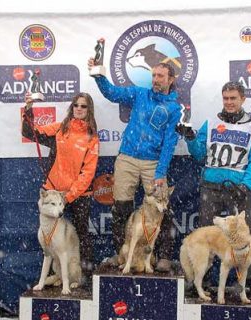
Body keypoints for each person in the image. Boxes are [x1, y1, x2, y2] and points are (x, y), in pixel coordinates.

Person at [88, 58, 181, 272]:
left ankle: (164, 256)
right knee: (121, 208)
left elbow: (169, 142)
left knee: (163, 208)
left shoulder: (174, 108)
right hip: (127, 158)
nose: (156, 80)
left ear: (171, 79)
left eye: (160, 76)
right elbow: (112, 93)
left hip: (153, 163)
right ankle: (120, 253)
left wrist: (160, 172)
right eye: (154, 76)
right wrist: (99, 76)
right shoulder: (140, 94)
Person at [177, 81, 251, 299]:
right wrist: (190, 138)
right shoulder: (212, 122)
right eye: (225, 98)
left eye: (233, 98)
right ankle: (202, 280)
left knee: (247, 235)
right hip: (211, 186)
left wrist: (247, 185)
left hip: (238, 188)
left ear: (242, 99)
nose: (229, 102)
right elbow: (199, 154)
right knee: (206, 233)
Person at [22, 92, 99, 287]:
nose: (79, 109)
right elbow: (30, 133)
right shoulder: (60, 128)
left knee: (82, 233)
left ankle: (86, 277)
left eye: (83, 106)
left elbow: (88, 173)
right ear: (72, 107)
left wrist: (69, 196)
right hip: (53, 192)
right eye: (76, 105)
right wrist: (29, 109)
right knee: (49, 237)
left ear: (89, 110)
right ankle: (53, 276)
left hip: (78, 195)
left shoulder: (92, 137)